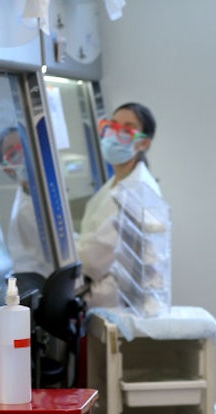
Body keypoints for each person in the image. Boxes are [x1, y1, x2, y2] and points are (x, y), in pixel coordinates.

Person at [78, 102, 159, 308]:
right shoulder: (115, 184)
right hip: (103, 298)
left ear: (143, 144)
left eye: (126, 130)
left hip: (116, 302)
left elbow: (94, 261)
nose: (114, 134)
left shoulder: (138, 190)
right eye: (112, 126)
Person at [0, 126, 55, 277]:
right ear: (9, 170)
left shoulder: (44, 191)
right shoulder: (26, 211)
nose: (23, 155)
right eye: (13, 154)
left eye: (25, 146)